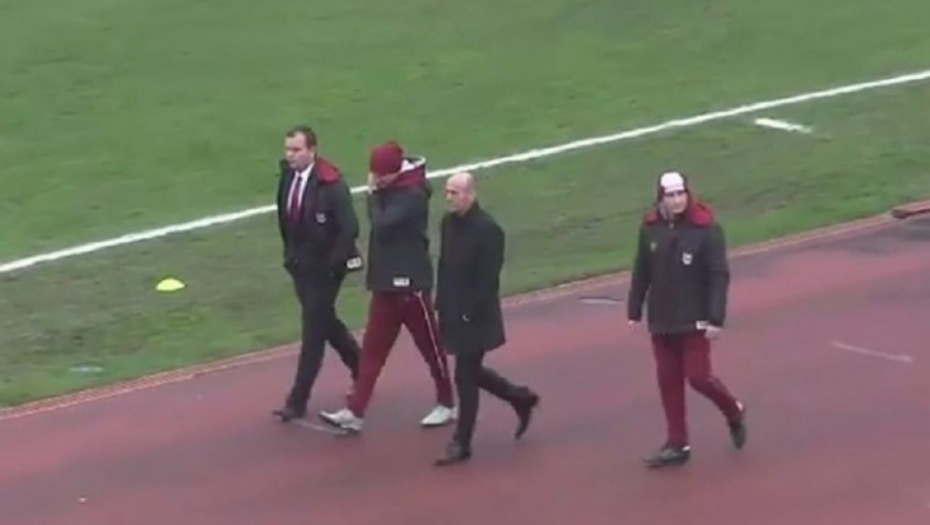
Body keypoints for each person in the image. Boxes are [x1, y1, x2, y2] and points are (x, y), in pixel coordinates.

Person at [319, 141, 456, 433]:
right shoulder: (395, 190)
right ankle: (355, 411)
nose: (376, 179)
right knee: (372, 351)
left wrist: (372, 194)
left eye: (381, 175)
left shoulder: (413, 194)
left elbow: (381, 224)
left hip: (411, 285)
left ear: (395, 172)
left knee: (431, 348)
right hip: (385, 283)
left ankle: (447, 402)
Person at [626, 171, 747, 468]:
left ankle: (733, 410)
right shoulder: (650, 229)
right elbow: (642, 270)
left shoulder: (707, 230)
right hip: (662, 319)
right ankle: (677, 443)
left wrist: (716, 318)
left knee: (698, 377)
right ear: (660, 198)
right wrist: (634, 309)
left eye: (681, 193)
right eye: (671, 195)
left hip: (695, 318)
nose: (677, 200)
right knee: (668, 381)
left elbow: (718, 277)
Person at [432, 172, 540, 467]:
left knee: (464, 375)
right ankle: (520, 397)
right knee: (472, 372)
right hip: (453, 310)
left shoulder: (489, 230)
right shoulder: (448, 224)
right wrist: (441, 301)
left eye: (455, 192)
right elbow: (445, 265)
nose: (449, 198)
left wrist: (469, 312)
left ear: (471, 194)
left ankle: (462, 442)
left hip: (476, 316)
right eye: (447, 192)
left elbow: (488, 279)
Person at [271, 125, 363, 423]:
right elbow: (285, 217)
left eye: (296, 150)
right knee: (325, 322)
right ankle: (363, 368)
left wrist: (332, 265)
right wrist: (290, 256)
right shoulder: (287, 176)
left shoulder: (331, 185)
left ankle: (297, 400)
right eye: (288, 149)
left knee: (313, 331)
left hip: (325, 269)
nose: (291, 155)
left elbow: (349, 228)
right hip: (300, 266)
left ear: (312, 150)